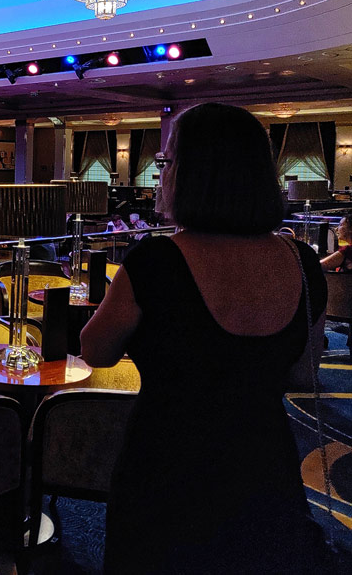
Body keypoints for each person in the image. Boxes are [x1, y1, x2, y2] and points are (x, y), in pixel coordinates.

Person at [80, 103, 328, 574]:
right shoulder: (302, 261)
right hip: (264, 459)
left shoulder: (155, 260)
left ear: (191, 172)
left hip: (168, 462)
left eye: (167, 161)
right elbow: (303, 372)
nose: (162, 172)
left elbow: (96, 351)